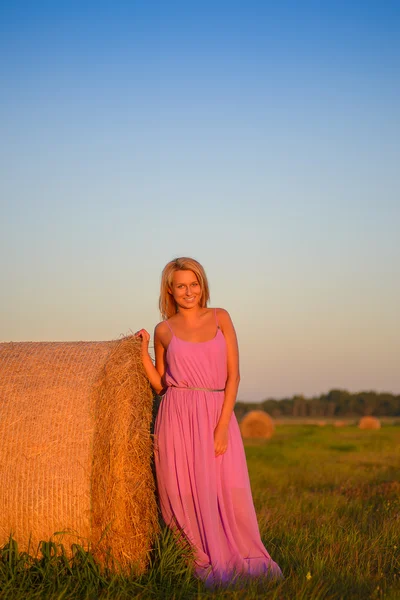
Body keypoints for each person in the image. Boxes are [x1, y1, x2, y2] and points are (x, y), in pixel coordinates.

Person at [135, 257, 282, 586]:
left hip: (217, 411)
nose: (189, 291)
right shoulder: (164, 330)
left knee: (226, 488)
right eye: (181, 286)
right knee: (180, 489)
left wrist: (221, 426)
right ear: (170, 291)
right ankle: (195, 558)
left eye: (194, 284)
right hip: (176, 415)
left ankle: (242, 555)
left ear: (202, 286)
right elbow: (160, 385)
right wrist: (141, 352)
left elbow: (234, 376)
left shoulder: (221, 318)